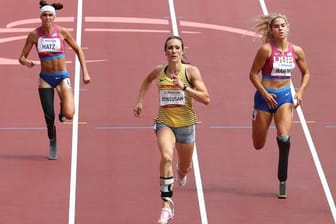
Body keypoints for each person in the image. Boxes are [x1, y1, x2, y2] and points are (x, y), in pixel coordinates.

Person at [134, 36, 210, 223]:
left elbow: (206, 99)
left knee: (185, 168)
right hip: (164, 123)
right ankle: (166, 205)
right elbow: (147, 80)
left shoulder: (191, 72)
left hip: (186, 126)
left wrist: (183, 87)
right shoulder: (159, 71)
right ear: (165, 52)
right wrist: (140, 101)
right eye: (170, 48)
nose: (173, 51)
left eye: (177, 47)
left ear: (182, 51)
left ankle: (182, 171)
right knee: (166, 156)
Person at [19, 0, 90, 160]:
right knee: (48, 116)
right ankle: (52, 138)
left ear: (55, 17)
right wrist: (26, 62)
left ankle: (62, 107)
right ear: (40, 17)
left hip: (62, 76)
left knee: (69, 114)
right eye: (45, 15)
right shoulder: (34, 35)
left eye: (50, 14)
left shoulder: (62, 32)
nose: (48, 17)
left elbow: (78, 49)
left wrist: (85, 72)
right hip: (45, 78)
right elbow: (21, 57)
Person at [249, 13, 310, 198]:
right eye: (276, 26)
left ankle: (282, 180)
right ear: (271, 30)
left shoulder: (297, 51)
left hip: (284, 98)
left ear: (288, 28)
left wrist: (299, 93)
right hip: (265, 98)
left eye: (283, 25)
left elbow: (306, 73)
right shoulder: (266, 50)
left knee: (284, 138)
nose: (280, 28)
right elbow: (252, 74)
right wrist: (265, 93)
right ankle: (256, 118)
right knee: (258, 144)